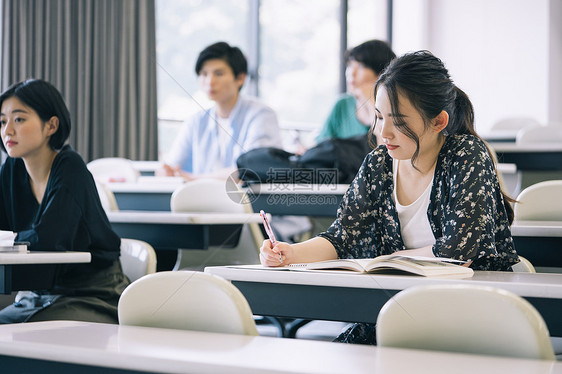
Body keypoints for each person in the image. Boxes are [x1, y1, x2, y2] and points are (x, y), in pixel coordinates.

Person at [260, 51, 519, 344]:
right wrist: (290, 253)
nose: (383, 132)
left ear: (438, 122)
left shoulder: (466, 155)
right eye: (379, 117)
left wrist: (389, 260)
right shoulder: (378, 164)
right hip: (398, 309)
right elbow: (342, 237)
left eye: (398, 121)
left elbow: (456, 252)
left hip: (469, 315)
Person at [0, 79, 129, 324]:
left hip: (94, 293)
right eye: (2, 121)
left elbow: (50, 239)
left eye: (19, 119)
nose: (7, 130)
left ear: (51, 125)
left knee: (21, 334)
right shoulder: (11, 169)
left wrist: (11, 239)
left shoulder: (71, 168)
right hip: (41, 293)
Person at [158, 41, 281, 181]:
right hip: (200, 200)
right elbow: (173, 166)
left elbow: (253, 170)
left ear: (240, 78)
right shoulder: (197, 121)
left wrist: (194, 179)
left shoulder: (261, 115)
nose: (210, 82)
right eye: (204, 74)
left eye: (219, 73)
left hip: (245, 201)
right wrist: (167, 172)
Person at [315, 39, 396, 143]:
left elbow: (385, 147)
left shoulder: (394, 107)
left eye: (362, 66)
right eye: (350, 65)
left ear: (382, 73)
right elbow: (320, 147)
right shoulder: (343, 104)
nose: (351, 73)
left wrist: (372, 102)